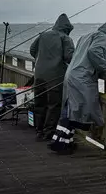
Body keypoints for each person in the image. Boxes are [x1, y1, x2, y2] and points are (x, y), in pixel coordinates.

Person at [49, 20, 106, 154]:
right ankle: (59, 143)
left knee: (71, 110)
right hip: (82, 77)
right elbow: (94, 52)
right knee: (76, 110)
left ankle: (62, 141)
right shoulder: (102, 37)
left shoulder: (86, 36)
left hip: (71, 74)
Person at [30, 13, 75, 141]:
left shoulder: (43, 35)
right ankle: (48, 132)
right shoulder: (65, 38)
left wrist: (42, 60)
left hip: (39, 75)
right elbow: (69, 57)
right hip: (56, 76)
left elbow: (32, 50)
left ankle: (39, 131)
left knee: (39, 102)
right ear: (67, 28)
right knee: (53, 104)